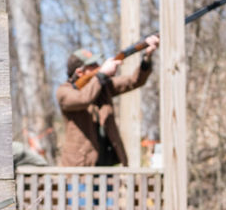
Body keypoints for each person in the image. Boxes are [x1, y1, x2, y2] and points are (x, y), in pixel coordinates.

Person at [56, 35, 159, 166]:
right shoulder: (64, 91)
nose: (99, 66)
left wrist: (146, 57)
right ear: (80, 72)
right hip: (80, 167)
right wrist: (101, 75)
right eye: (93, 65)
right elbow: (83, 99)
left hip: (106, 164)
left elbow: (134, 80)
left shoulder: (102, 87)